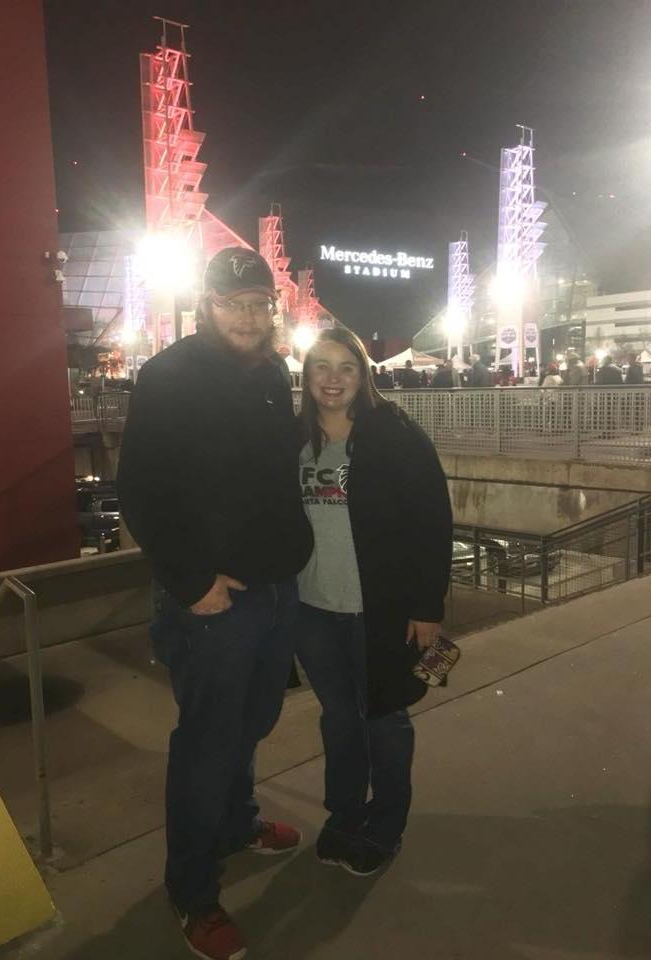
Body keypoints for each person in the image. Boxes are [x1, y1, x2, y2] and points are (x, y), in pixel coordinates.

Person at [116, 247, 314, 960]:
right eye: (234, 304)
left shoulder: (273, 375)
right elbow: (139, 491)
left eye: (260, 303)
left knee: (253, 722)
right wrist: (191, 581)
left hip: (274, 589)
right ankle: (192, 891)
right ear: (207, 306)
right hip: (212, 600)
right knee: (206, 743)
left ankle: (235, 824)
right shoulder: (168, 377)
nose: (248, 317)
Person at [294, 326, 453, 877]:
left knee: (384, 718)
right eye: (321, 366)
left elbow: (432, 519)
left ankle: (386, 825)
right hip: (312, 607)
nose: (333, 379)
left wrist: (427, 606)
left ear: (363, 375)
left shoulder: (393, 432)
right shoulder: (293, 437)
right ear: (306, 375)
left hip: (379, 609)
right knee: (339, 720)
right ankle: (344, 815)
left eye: (346, 367)